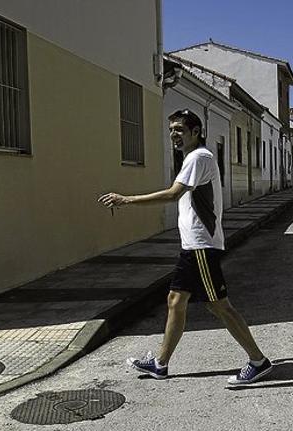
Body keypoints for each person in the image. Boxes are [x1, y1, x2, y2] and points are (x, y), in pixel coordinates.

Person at [98, 109, 271, 385]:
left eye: (179, 129)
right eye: (171, 130)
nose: (173, 135)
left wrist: (126, 200)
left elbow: (173, 193)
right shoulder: (194, 158)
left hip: (202, 246)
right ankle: (160, 363)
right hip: (193, 246)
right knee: (175, 301)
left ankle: (258, 361)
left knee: (220, 306)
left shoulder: (198, 157)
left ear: (195, 132)